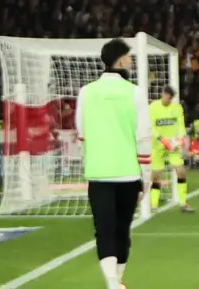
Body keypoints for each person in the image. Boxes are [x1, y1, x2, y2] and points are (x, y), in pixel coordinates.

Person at [76, 39, 153, 289]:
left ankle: (112, 281)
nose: (131, 60)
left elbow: (81, 133)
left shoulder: (86, 92)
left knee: (104, 230)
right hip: (128, 174)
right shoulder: (135, 92)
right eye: (129, 56)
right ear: (120, 60)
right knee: (122, 231)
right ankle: (116, 280)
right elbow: (143, 137)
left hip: (98, 174)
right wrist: (147, 174)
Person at [149, 86, 193, 212]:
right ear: (163, 94)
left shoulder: (176, 107)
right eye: (167, 97)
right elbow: (151, 127)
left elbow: (180, 124)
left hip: (173, 145)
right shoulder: (153, 107)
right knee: (157, 174)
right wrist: (161, 139)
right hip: (158, 145)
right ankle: (154, 204)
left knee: (180, 170)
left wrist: (182, 137)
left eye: (171, 98)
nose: (169, 100)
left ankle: (183, 203)